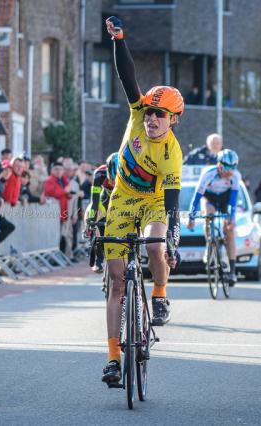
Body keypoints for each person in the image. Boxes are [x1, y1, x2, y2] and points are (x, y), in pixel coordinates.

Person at [100, 16, 183, 384]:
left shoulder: (172, 154)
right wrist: (119, 39)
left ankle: (161, 294)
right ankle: (114, 358)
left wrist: (172, 235)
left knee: (154, 245)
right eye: (149, 112)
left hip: (153, 203)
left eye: (159, 115)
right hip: (122, 199)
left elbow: (172, 202)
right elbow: (126, 76)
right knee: (116, 282)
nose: (151, 118)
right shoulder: (136, 115)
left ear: (172, 120)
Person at [187, 149, 242, 285]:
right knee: (208, 214)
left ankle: (232, 271)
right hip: (209, 197)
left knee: (229, 231)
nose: (231, 171)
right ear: (220, 164)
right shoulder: (208, 174)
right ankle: (209, 244)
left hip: (225, 199)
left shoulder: (235, 176)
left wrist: (232, 218)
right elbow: (197, 197)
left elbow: (233, 200)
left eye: (234, 167)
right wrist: (191, 218)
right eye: (228, 167)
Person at [84, 153, 117, 273]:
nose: (113, 183)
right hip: (104, 200)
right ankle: (98, 259)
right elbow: (94, 201)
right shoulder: (99, 174)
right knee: (91, 216)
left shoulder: (130, 174)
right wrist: (91, 222)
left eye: (116, 180)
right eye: (111, 179)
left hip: (120, 201)